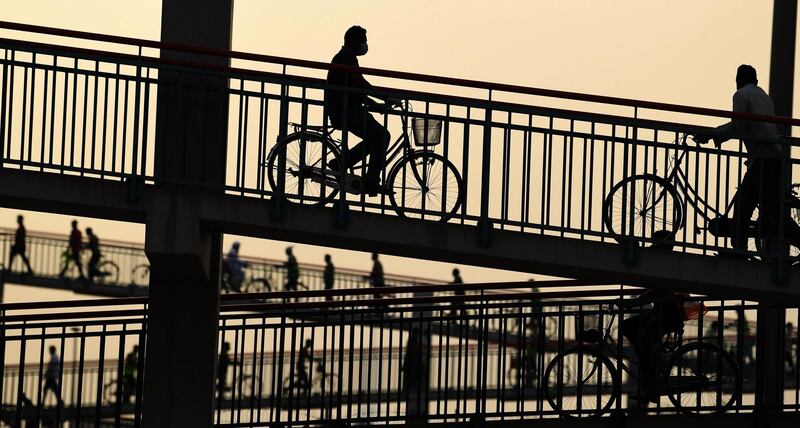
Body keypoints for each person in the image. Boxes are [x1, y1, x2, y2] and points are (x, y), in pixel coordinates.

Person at [699, 65, 800, 253]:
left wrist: (711, 135)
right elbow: (740, 123)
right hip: (772, 156)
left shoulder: (740, 95)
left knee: (747, 206)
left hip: (763, 159)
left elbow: (738, 126)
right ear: (756, 81)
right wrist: (713, 133)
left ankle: (739, 251)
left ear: (738, 80)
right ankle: (739, 250)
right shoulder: (763, 96)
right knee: (767, 208)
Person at [324, 25, 394, 196]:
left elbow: (356, 89)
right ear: (353, 41)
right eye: (363, 41)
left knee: (375, 137)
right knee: (382, 136)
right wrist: (385, 98)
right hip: (346, 112)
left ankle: (341, 162)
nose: (365, 45)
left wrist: (375, 105)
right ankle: (371, 182)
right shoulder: (347, 58)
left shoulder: (344, 57)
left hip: (346, 109)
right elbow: (361, 84)